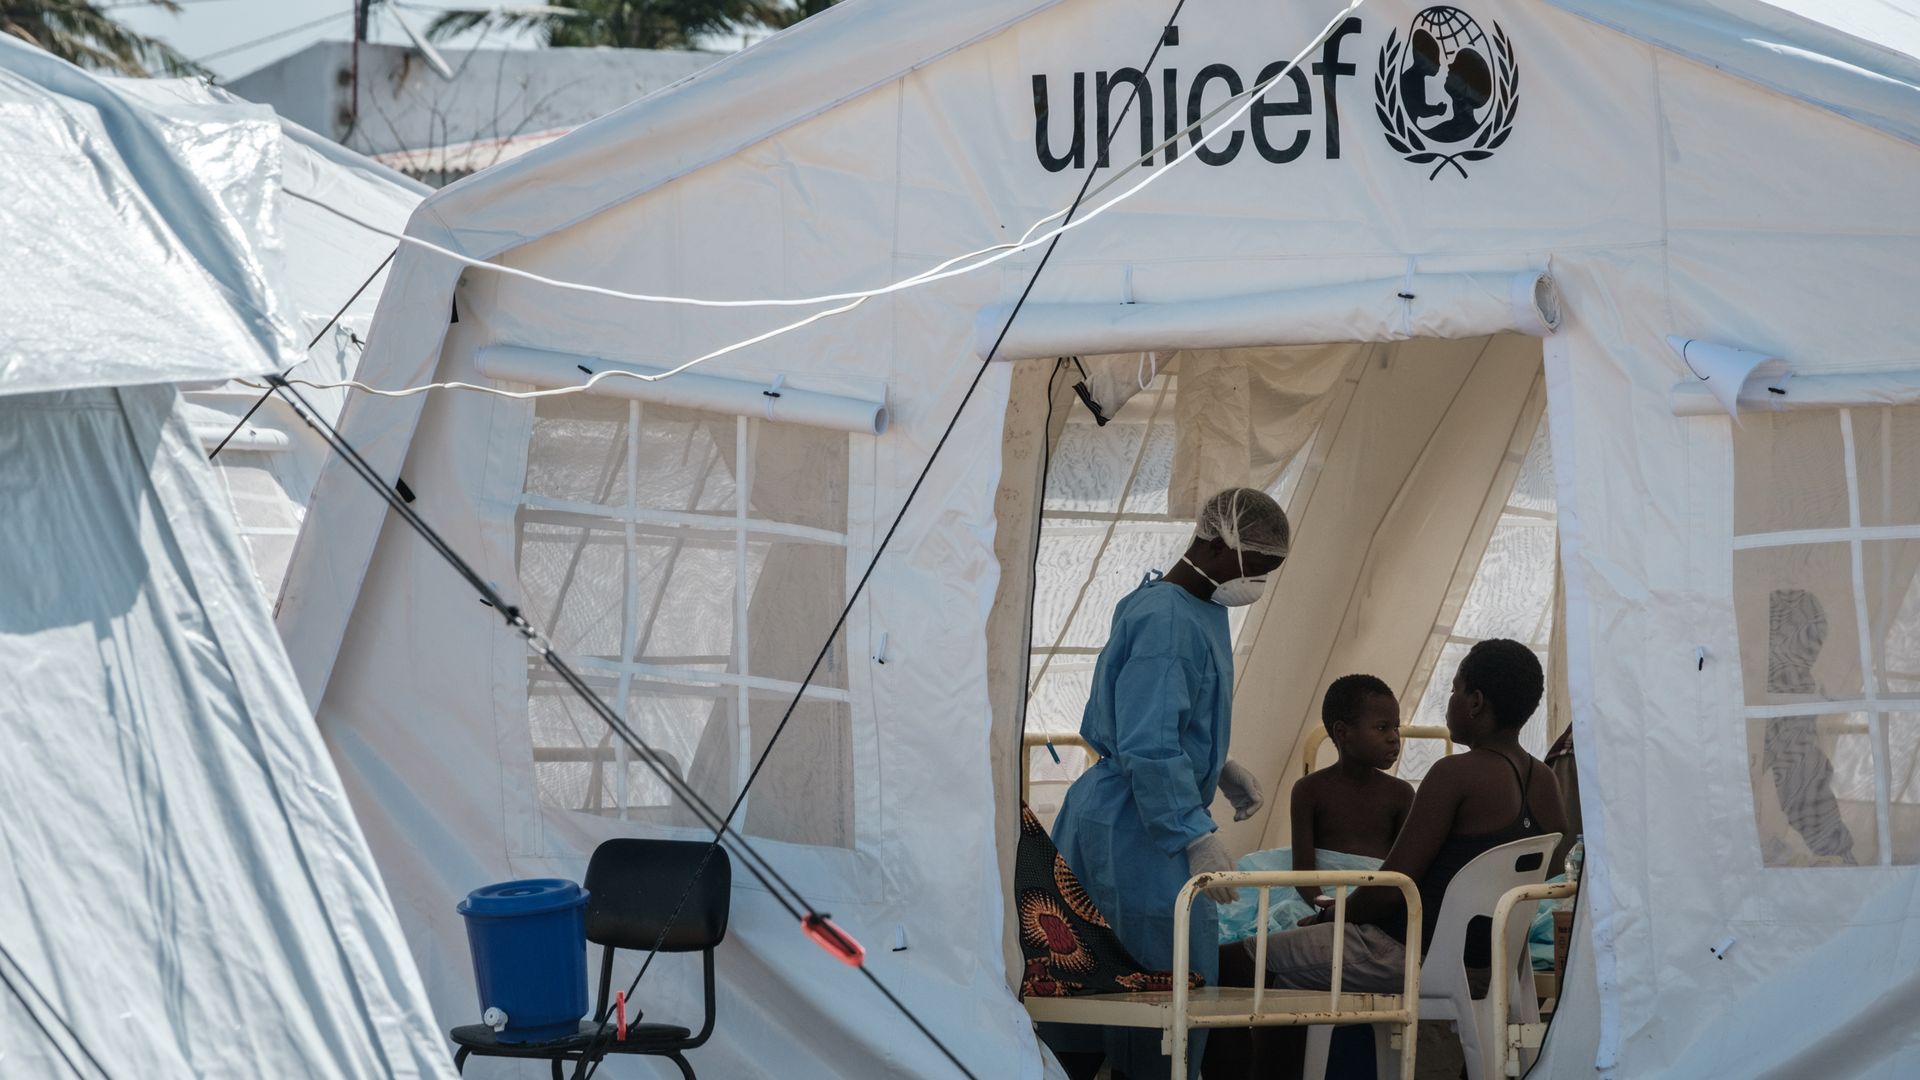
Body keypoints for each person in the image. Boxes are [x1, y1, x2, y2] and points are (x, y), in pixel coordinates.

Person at [1211, 640, 1568, 1077]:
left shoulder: (1455, 774)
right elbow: (1552, 872)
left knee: (1226, 963)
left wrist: (1332, 917)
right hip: (1489, 964)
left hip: (1407, 953)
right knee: (1288, 975)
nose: (1450, 701)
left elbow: (1391, 886)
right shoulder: (1545, 781)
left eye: (1455, 691)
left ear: (1475, 703)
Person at [1045, 488, 1290, 1080]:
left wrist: (1216, 762)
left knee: (1100, 981)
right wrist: (1191, 831)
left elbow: (1163, 715)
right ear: (1214, 541)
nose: (1255, 585)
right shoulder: (1168, 617)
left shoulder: (1186, 605)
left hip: (1127, 808)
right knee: (1154, 983)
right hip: (1136, 827)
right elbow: (1149, 743)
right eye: (1253, 569)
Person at [1290, 675, 1416, 910]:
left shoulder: (1401, 794)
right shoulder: (1308, 790)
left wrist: (1355, 910)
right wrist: (1325, 907)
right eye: (1382, 727)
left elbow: (1404, 873)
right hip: (1318, 901)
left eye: (1396, 727)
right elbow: (1303, 873)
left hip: (1377, 903)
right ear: (1343, 732)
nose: (1394, 737)